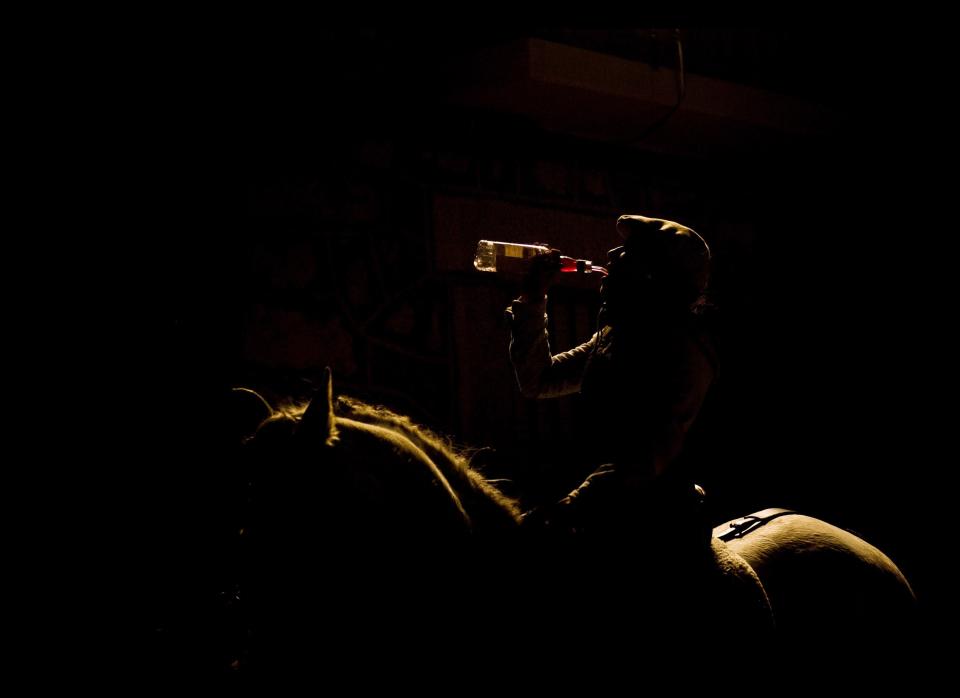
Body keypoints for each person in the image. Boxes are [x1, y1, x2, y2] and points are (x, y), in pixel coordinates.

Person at [506, 214, 717, 548]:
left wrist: (567, 507)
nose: (612, 256)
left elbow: (642, 462)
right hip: (600, 510)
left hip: (658, 527)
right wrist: (533, 301)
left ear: (655, 276)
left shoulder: (682, 351)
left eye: (629, 252)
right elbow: (538, 380)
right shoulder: (614, 337)